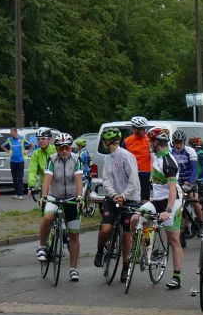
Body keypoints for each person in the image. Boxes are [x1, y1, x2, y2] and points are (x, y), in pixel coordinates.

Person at [36, 132, 86, 281]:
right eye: (61, 148)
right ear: (57, 149)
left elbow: (78, 180)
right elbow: (47, 179)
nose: (64, 151)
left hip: (72, 197)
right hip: (54, 196)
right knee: (48, 218)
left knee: (74, 234)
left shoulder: (76, 159)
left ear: (71, 148)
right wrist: (44, 196)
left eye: (67, 148)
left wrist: (79, 197)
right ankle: (42, 247)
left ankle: (73, 269)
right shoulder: (52, 159)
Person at [92, 129, 136, 273]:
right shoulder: (107, 158)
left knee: (127, 235)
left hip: (129, 198)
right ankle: (100, 250)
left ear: (107, 142)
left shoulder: (126, 156)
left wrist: (124, 196)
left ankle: (125, 267)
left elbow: (133, 181)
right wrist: (113, 195)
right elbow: (106, 180)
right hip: (113, 197)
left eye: (104, 141)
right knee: (106, 229)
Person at [147, 129, 185, 290]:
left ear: (156, 142)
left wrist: (168, 210)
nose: (148, 144)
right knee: (136, 217)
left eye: (150, 141)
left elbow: (172, 190)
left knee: (173, 239)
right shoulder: (156, 156)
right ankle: (146, 248)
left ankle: (177, 277)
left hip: (172, 202)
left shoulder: (168, 162)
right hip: (157, 200)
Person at [122, 117, 153, 202]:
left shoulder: (149, 140)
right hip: (132, 173)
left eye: (145, 129)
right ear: (135, 129)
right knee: (131, 197)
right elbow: (122, 158)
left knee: (144, 198)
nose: (144, 131)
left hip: (145, 173)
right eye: (142, 129)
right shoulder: (127, 141)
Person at [26, 128, 54, 198]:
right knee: (44, 204)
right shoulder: (36, 153)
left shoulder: (56, 150)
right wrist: (31, 185)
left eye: (43, 138)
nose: (40, 141)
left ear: (49, 139)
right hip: (44, 185)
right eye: (38, 139)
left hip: (58, 186)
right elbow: (32, 170)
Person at [8, 126, 26, 197]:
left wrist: (27, 152)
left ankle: (20, 194)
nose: (10, 134)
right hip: (12, 161)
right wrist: (8, 152)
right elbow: (2, 146)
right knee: (14, 178)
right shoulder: (9, 139)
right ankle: (16, 193)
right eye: (10, 132)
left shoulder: (22, 138)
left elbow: (32, 144)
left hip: (20, 161)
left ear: (15, 132)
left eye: (12, 132)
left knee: (20, 178)